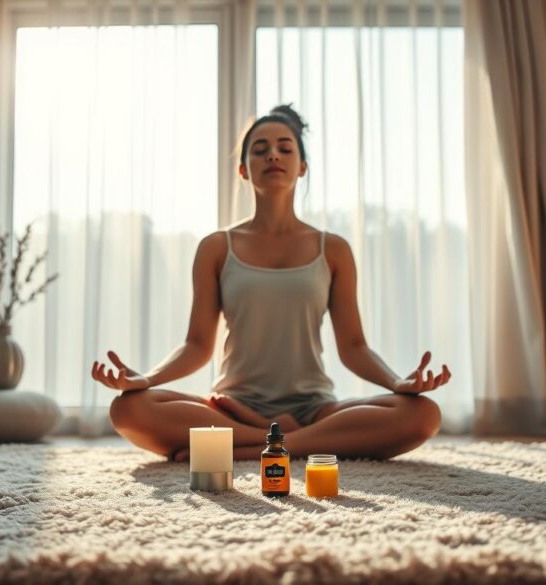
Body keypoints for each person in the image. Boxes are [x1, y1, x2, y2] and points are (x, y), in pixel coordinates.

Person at [91, 104, 450, 461]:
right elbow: (197, 345)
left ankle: (252, 450)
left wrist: (397, 384)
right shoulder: (216, 247)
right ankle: (274, 438)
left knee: (423, 415)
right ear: (244, 170)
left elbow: (354, 347)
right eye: (260, 150)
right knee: (129, 409)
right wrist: (147, 380)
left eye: (285, 148)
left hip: (312, 410)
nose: (273, 155)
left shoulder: (334, 250)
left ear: (302, 167)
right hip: (232, 409)